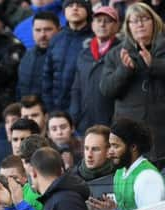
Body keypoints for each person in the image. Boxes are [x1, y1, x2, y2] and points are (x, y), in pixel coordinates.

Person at [99, 3, 165, 166]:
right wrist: (124, 70)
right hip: (131, 135)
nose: (140, 24)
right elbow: (106, 89)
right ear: (127, 26)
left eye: (144, 19)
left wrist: (154, 65)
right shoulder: (116, 54)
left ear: (154, 22)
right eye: (134, 21)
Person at [87, 118, 165, 210]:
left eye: (116, 146)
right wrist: (113, 204)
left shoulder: (148, 177)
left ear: (133, 147)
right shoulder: (120, 172)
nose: (110, 152)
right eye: (110, 145)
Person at [69, 6, 120, 135]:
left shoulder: (122, 52)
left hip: (112, 124)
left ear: (117, 26)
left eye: (108, 21)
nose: (102, 24)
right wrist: (74, 116)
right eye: (98, 20)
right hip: (85, 123)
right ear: (92, 25)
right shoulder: (84, 54)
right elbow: (76, 88)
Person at [42, 0, 93, 112]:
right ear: (64, 11)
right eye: (70, 5)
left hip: (85, 109)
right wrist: (49, 107)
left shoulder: (95, 39)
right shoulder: (57, 38)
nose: (75, 8)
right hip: (57, 108)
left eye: (80, 5)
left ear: (88, 11)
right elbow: (47, 75)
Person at [17, 11, 60, 99]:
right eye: (38, 30)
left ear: (58, 30)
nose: (42, 35)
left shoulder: (64, 57)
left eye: (48, 29)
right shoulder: (27, 56)